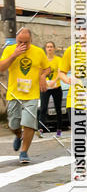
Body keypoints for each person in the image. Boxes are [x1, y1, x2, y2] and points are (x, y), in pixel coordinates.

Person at [0, 27, 50, 163]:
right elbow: (1, 67)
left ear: (31, 40)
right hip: (14, 94)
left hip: (32, 94)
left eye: (25, 42)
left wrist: (43, 76)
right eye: (20, 42)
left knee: (29, 123)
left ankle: (24, 152)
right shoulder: (9, 50)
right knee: (13, 124)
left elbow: (47, 68)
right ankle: (18, 135)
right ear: (16, 40)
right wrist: (14, 55)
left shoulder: (38, 52)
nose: (22, 45)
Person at [39, 40, 63, 136]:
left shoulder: (58, 60)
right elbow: (39, 72)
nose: (49, 48)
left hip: (56, 87)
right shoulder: (42, 60)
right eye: (48, 47)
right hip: (45, 88)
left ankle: (59, 130)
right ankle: (40, 129)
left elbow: (60, 71)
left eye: (51, 46)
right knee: (43, 108)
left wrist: (54, 80)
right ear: (46, 49)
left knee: (58, 109)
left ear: (54, 48)